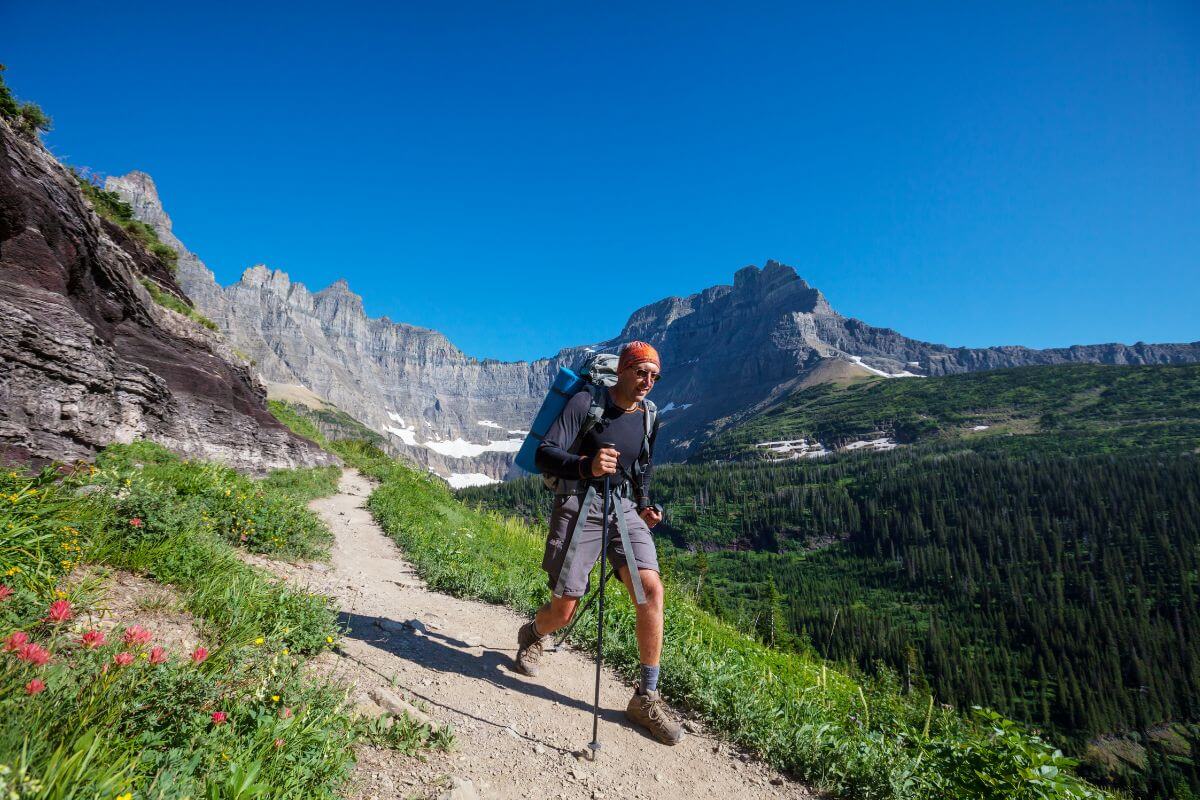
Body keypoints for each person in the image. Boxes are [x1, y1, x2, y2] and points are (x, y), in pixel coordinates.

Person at [514, 341, 683, 745]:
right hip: (579, 501)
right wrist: (585, 466)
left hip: (623, 508)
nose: (647, 382)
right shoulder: (586, 403)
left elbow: (642, 465)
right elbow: (543, 453)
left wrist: (644, 505)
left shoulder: (649, 415)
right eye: (641, 373)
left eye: (654, 376)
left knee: (650, 590)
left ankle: (646, 696)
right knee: (564, 610)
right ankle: (535, 633)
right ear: (623, 370)